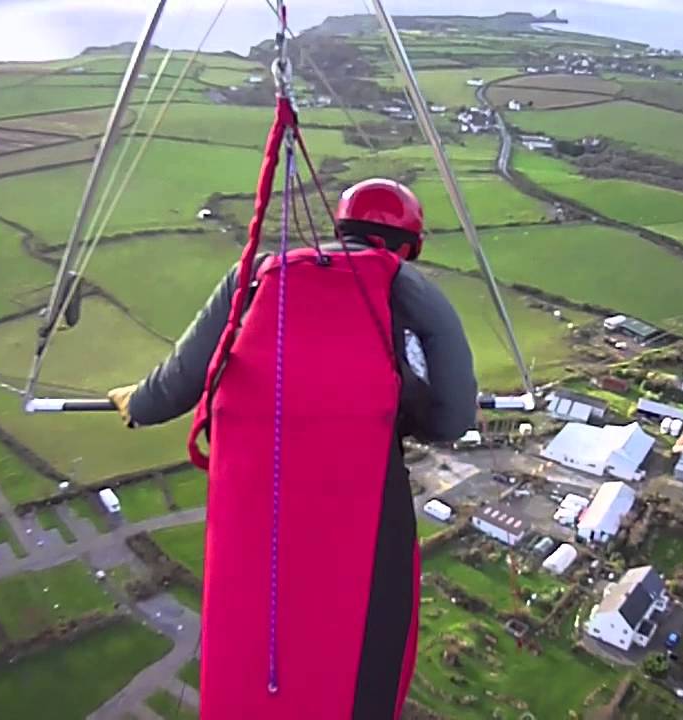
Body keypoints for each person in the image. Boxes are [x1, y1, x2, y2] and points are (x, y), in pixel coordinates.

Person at [108, 178, 476, 719]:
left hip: (254, 496)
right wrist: (399, 412)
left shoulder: (256, 274)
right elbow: (453, 418)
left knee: (256, 634)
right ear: (407, 243)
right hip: (362, 494)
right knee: (355, 642)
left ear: (341, 228)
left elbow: (178, 382)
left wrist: (134, 403)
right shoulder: (410, 291)